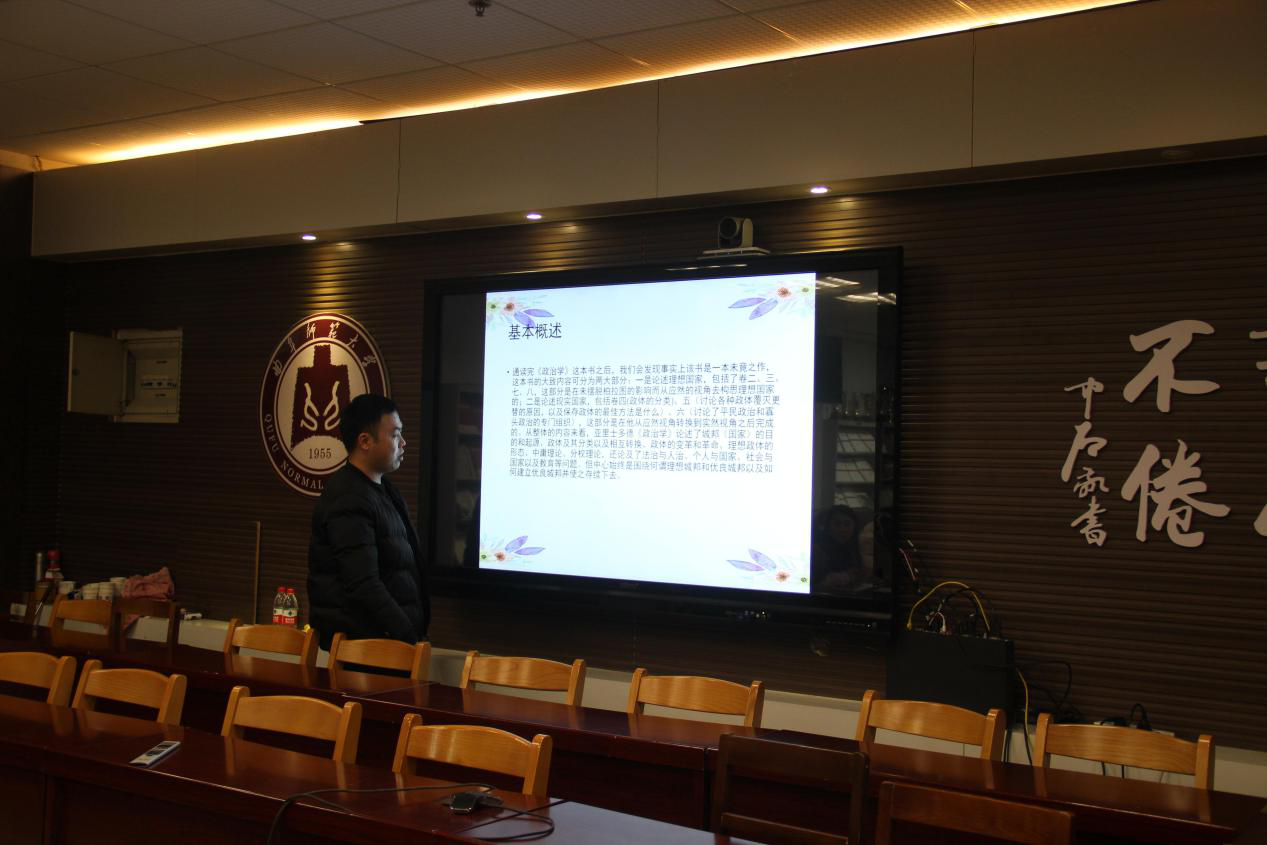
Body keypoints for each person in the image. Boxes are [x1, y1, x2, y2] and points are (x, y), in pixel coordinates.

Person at [307, 394, 428, 651]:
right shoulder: (348, 497)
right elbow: (363, 583)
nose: (403, 443)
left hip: (386, 644)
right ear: (365, 441)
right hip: (366, 650)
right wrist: (407, 635)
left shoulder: (383, 490)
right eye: (395, 435)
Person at [811, 505, 874, 594]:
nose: (842, 529)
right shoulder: (816, 551)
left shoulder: (856, 546)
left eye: (847, 524)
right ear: (827, 527)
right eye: (837, 524)